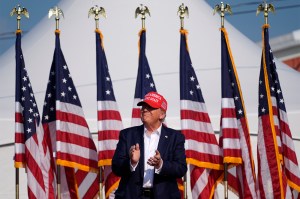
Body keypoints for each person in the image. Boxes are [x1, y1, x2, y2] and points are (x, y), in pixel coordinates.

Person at [112, 91, 187, 199]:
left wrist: (161, 164)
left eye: (150, 107)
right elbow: (116, 167)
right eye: (143, 107)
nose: (144, 110)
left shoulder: (175, 137)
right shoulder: (127, 135)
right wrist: (131, 162)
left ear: (162, 114)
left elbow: (181, 169)